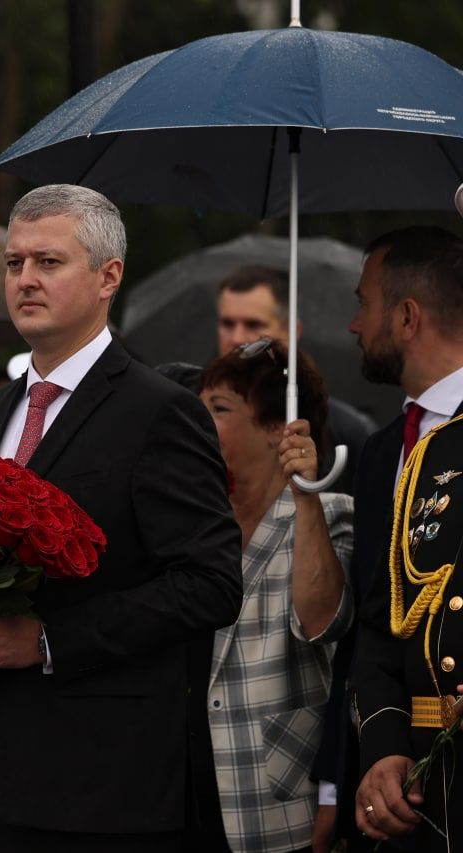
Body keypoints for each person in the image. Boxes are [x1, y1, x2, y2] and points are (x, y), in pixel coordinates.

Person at [0, 185, 243, 853]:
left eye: (48, 262)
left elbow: (210, 581)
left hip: (93, 791)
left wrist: (50, 639)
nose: (25, 279)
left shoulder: (158, 411)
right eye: (13, 262)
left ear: (108, 275)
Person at [196, 339, 354, 853]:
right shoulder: (194, 528)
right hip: (189, 809)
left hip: (284, 817)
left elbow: (321, 622)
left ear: (276, 426)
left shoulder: (331, 514)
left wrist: (304, 496)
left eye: (218, 409)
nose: (198, 424)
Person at [349, 226, 463, 851]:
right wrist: (383, 748)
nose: (353, 325)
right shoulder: (381, 450)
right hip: (414, 790)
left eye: (362, 303)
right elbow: (377, 616)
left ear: (408, 316)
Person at [216, 265, 376, 497]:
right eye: (227, 324)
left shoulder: (346, 432)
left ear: (292, 331)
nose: (237, 338)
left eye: (253, 325)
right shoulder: (191, 416)